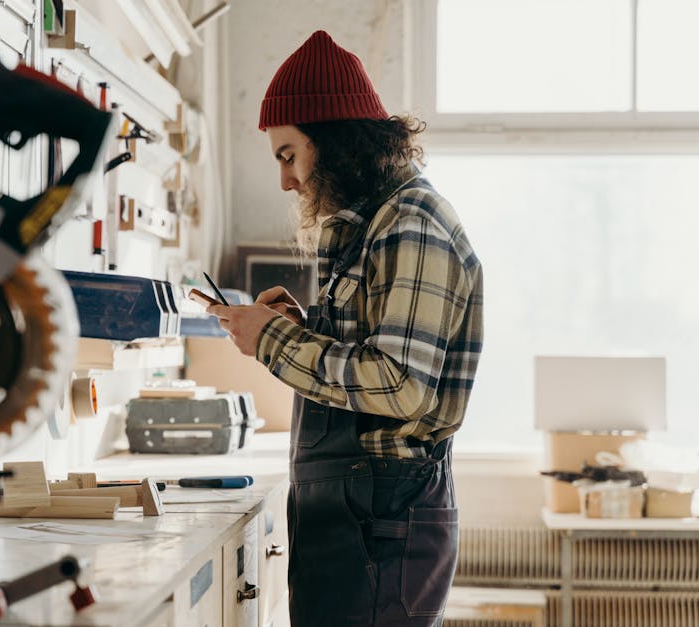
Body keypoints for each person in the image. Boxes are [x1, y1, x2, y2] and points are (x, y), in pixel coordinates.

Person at [207, 30, 484, 626]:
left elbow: (399, 385)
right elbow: (373, 351)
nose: (285, 181)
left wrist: (273, 342)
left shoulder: (410, 223)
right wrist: (301, 328)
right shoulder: (373, 224)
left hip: (382, 523)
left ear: (332, 142)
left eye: (288, 155)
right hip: (357, 515)